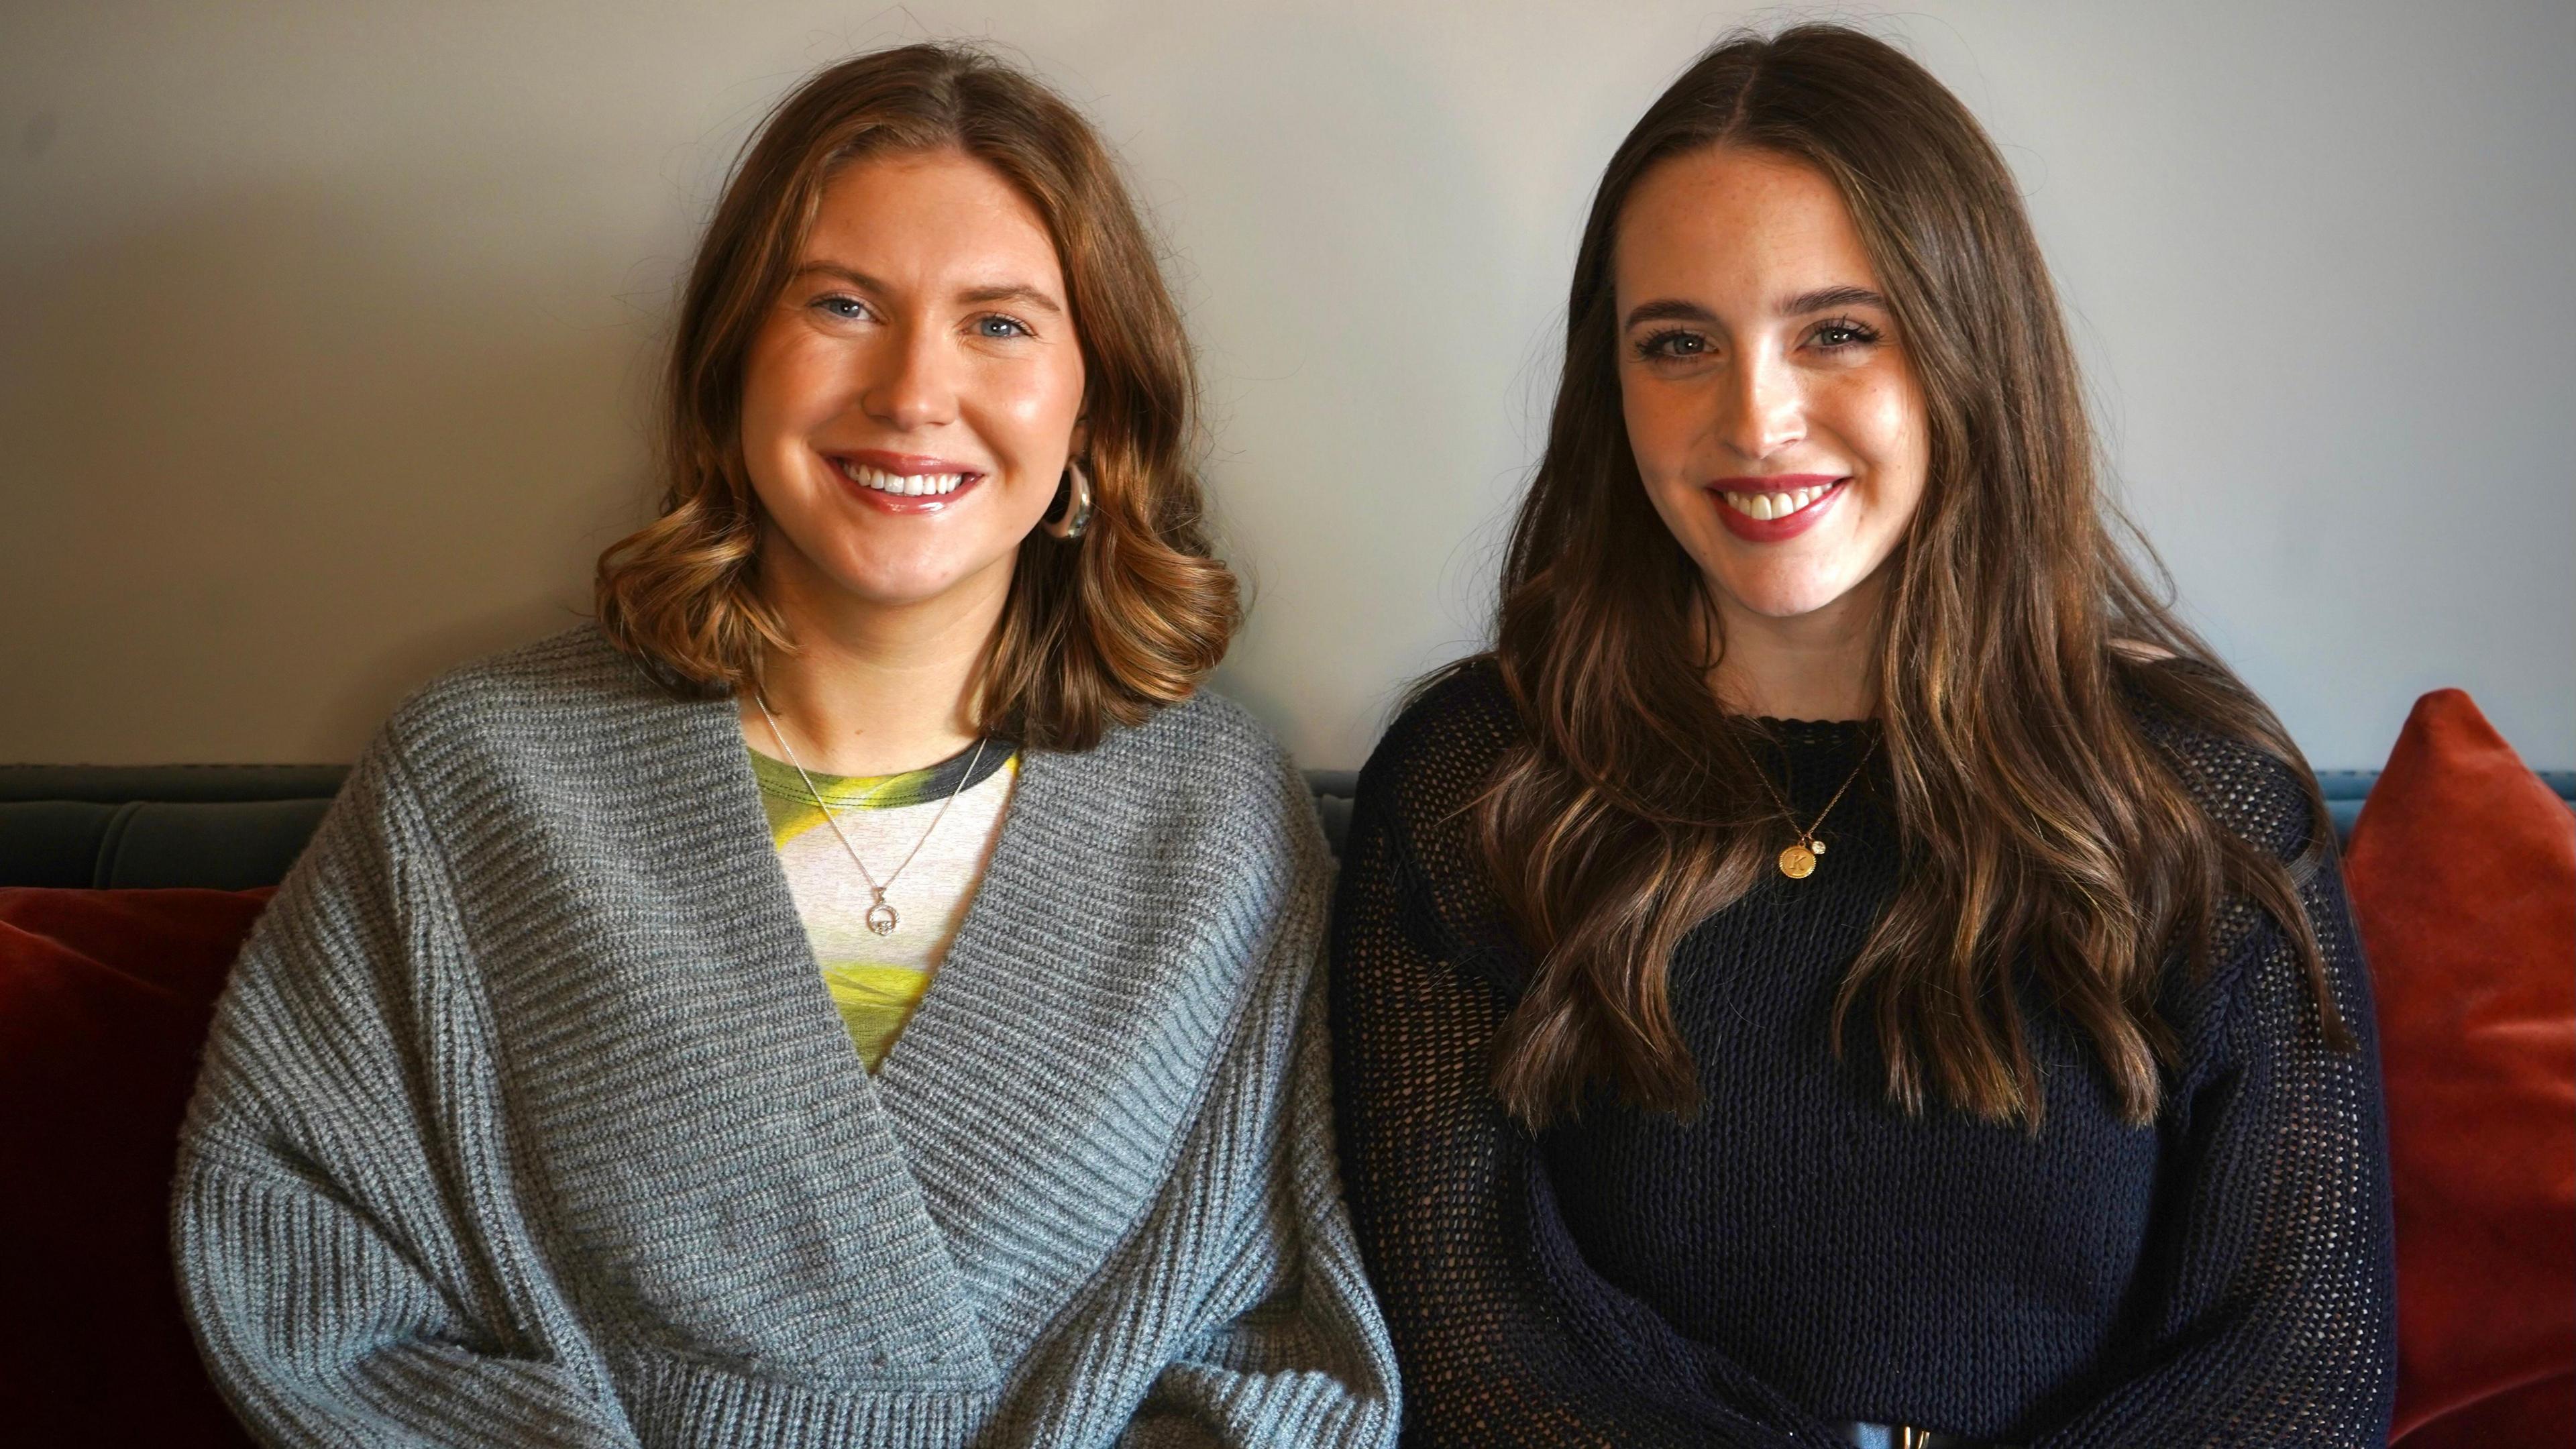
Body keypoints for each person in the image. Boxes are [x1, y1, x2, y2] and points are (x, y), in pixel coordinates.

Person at [174, 44, 1396, 1447]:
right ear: (732, 363)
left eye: (999, 324)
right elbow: (307, 1259)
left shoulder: (1222, 817)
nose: (913, 390)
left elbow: (1292, 1334)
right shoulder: (478, 783)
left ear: (1092, 408)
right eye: (841, 304)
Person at [1330, 24, 2392, 1448]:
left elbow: (2294, 1367)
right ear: (1612, 384)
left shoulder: (2199, 799)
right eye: (1678, 344)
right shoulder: (1481, 783)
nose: (1755, 417)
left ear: (1967, 347)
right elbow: (1471, 1342)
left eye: (1838, 331)